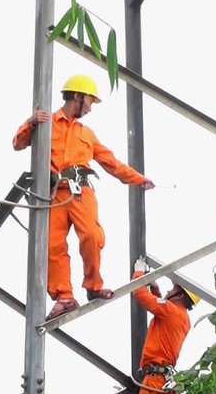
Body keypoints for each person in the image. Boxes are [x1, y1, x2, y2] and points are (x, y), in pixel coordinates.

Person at [13, 74, 156, 321]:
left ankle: (93, 285)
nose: (90, 108)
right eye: (89, 101)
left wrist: (138, 179)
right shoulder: (46, 123)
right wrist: (31, 121)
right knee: (53, 246)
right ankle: (64, 297)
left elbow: (111, 163)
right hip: (54, 193)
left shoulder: (86, 134)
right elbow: (18, 143)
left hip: (80, 191)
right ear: (77, 97)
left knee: (92, 235)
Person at [132, 256, 199, 394]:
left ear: (179, 294)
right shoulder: (182, 317)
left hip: (156, 379)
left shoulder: (170, 311)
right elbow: (158, 304)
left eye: (172, 288)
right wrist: (155, 287)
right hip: (164, 381)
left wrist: (139, 273)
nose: (169, 291)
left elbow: (138, 293)